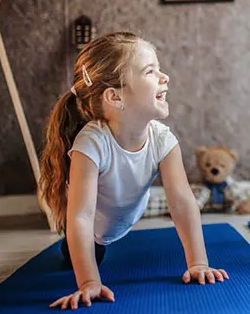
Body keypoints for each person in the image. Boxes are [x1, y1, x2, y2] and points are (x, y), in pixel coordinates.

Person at [39, 32, 229, 310]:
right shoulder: (91, 143)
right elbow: (81, 215)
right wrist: (89, 282)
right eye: (150, 71)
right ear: (115, 96)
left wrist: (198, 263)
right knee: (83, 254)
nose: (165, 77)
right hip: (92, 231)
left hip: (126, 217)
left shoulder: (163, 139)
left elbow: (182, 202)